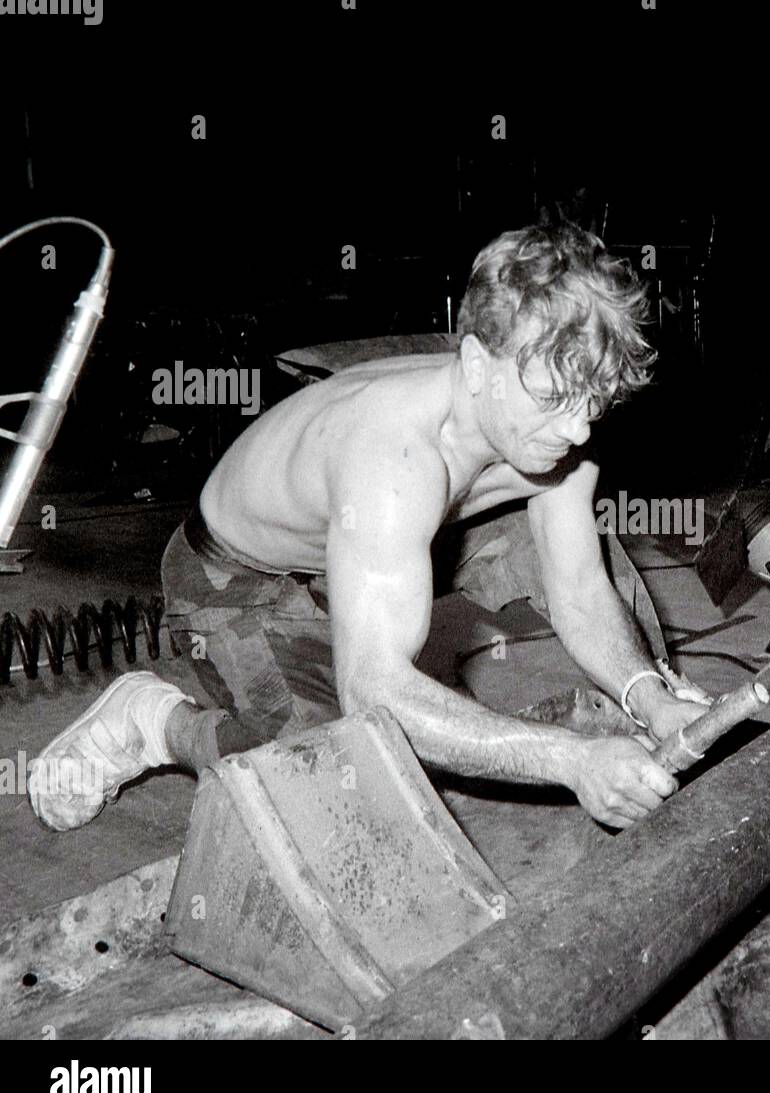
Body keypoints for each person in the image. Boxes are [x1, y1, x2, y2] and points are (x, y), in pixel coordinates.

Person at [29, 223, 710, 833]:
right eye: (555, 399)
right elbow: (375, 691)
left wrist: (648, 696)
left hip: (391, 539)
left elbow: (583, 594)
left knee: (599, 560)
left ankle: (649, 708)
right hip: (238, 578)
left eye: (594, 399)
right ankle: (155, 723)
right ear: (476, 364)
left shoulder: (554, 435)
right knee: (340, 774)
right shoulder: (394, 458)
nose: (579, 426)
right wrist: (570, 761)